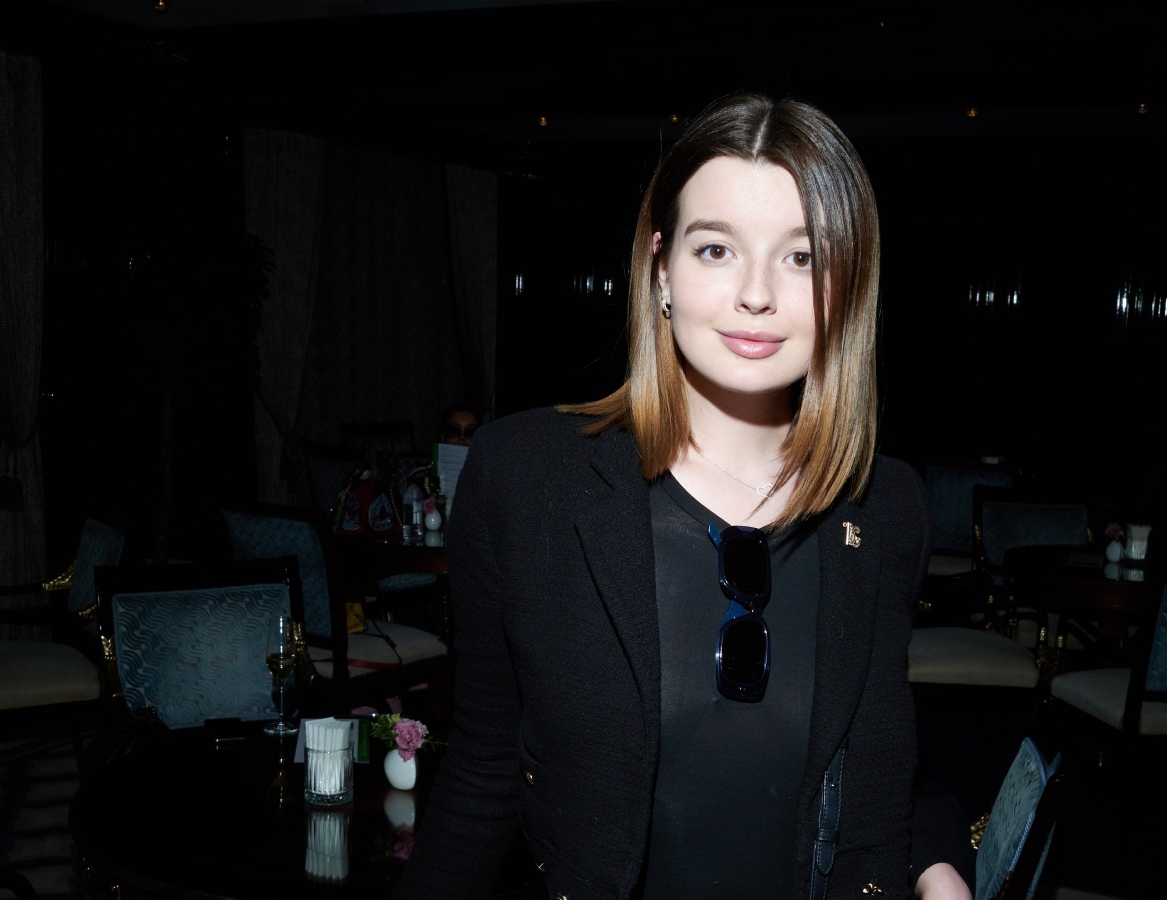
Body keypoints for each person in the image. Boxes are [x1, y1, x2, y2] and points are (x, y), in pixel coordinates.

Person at [394, 92, 970, 899]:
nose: (757, 294)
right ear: (661, 269)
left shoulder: (886, 507)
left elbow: (877, 770)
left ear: (847, 288)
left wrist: (938, 865)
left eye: (802, 257)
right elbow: (486, 766)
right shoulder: (525, 477)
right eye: (717, 249)